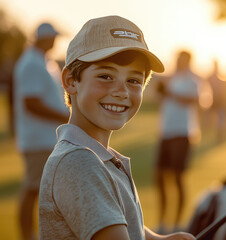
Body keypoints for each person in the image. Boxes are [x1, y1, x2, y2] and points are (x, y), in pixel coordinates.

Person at [38, 15, 195, 240]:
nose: (121, 91)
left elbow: (127, 227)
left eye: (133, 80)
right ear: (71, 81)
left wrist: (161, 239)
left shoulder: (99, 158)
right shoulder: (79, 163)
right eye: (106, 76)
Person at [13, 22, 68, 240]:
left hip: (46, 138)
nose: (55, 42)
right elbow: (31, 103)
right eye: (53, 37)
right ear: (44, 38)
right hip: (37, 139)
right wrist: (65, 117)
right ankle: (28, 236)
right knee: (32, 188)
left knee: (41, 189)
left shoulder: (44, 62)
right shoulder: (31, 64)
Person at [155, 51, 200, 233]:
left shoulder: (193, 80)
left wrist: (170, 92)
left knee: (178, 177)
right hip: (166, 132)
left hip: (183, 133)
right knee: (159, 176)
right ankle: (163, 222)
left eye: (181, 59)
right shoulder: (172, 78)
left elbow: (194, 100)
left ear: (188, 61)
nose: (177, 62)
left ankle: (177, 222)